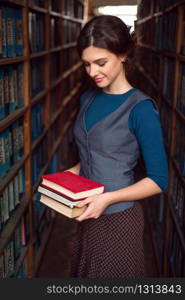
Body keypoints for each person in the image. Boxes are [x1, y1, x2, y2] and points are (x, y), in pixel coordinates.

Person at [67, 15, 168, 278]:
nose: (92, 73)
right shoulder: (88, 97)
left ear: (123, 54)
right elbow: (96, 152)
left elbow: (159, 180)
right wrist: (72, 173)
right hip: (88, 213)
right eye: (86, 64)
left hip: (118, 219)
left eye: (101, 63)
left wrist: (108, 198)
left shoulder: (141, 109)